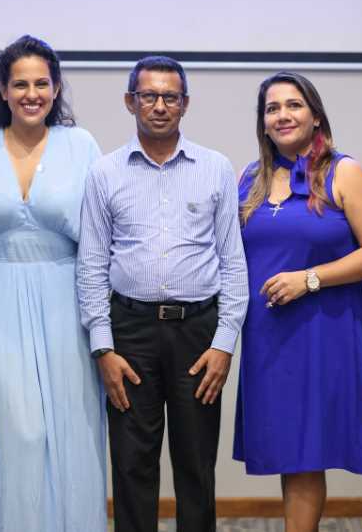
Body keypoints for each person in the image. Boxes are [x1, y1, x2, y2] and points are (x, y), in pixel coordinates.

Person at [77, 56, 248, 532]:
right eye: (148, 96)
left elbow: (233, 262)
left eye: (170, 97)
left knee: (196, 467)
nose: (158, 106)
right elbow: (91, 265)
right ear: (130, 101)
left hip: (199, 334)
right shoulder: (105, 173)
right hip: (129, 331)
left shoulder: (215, 168)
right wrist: (103, 346)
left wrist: (224, 342)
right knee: (132, 466)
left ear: (185, 104)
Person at [0, 35, 106, 532]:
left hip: (66, 298)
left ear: (57, 89)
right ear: (2, 89)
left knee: (66, 425)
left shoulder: (81, 146)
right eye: (20, 83)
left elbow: (99, 237)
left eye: (42, 83)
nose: (32, 93)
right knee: (8, 426)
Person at [232, 72, 362, 532]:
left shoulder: (345, 172)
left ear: (315, 115)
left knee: (307, 449)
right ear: (263, 123)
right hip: (267, 337)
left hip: (323, 330)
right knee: (288, 449)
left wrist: (310, 279)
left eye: (294, 105)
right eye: (272, 108)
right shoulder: (251, 178)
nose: (282, 114)